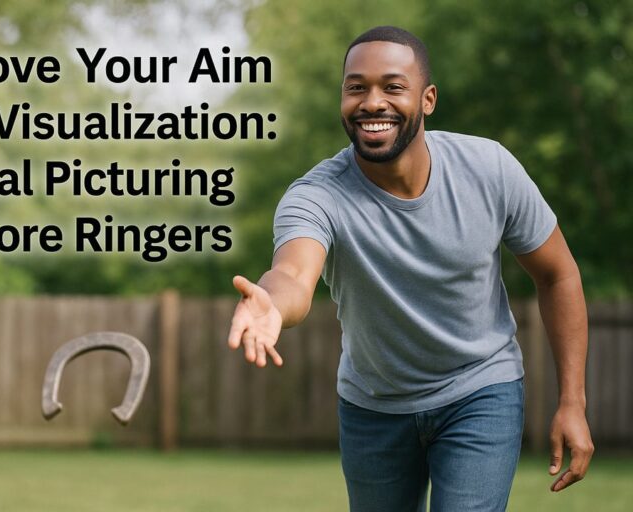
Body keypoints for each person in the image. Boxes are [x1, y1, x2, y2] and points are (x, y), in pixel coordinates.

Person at [226, 26, 594, 511]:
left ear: (427, 99)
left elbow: (557, 274)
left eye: (392, 87)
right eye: (356, 87)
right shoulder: (316, 196)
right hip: (373, 406)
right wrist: (272, 303)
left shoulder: (489, 170)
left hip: (480, 389)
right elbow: (294, 273)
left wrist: (573, 401)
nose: (372, 102)